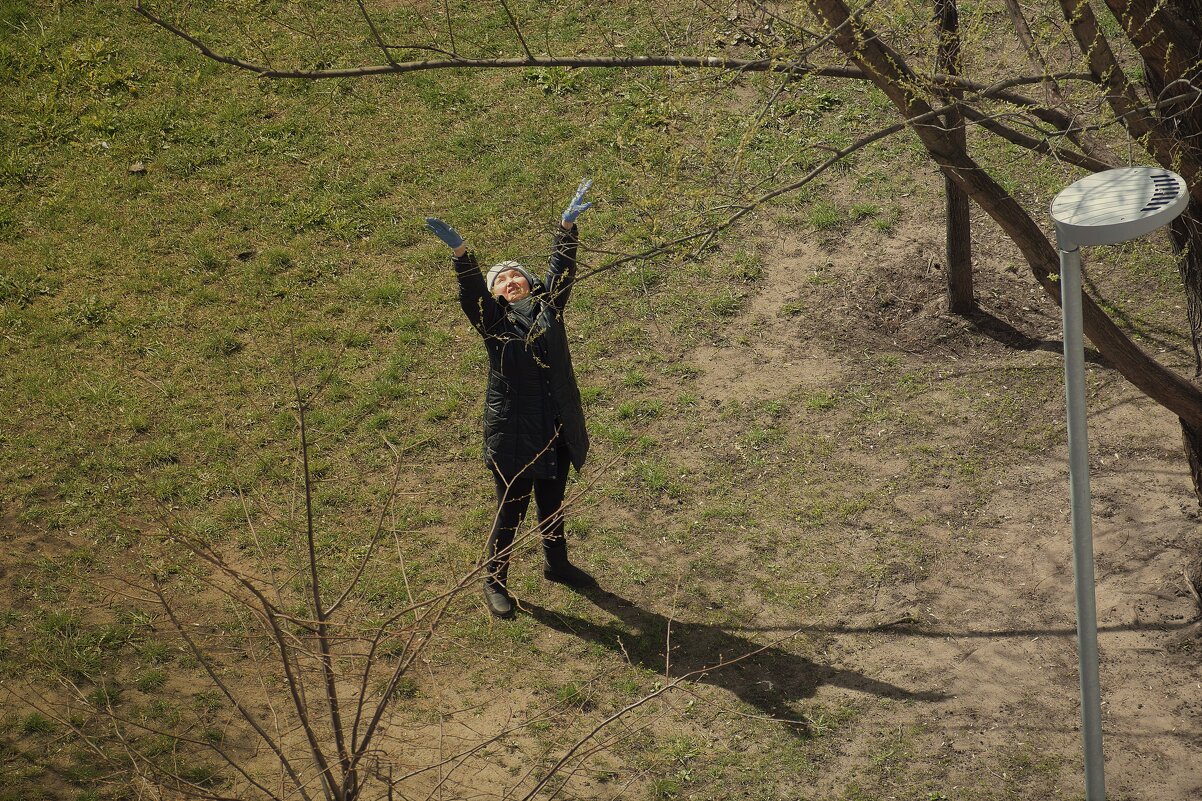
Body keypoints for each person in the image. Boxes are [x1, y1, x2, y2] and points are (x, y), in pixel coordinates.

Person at [424, 179, 597, 618]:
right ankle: (494, 580)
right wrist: (463, 257)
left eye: (516, 274)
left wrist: (566, 228)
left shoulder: (548, 309)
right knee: (511, 509)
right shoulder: (494, 324)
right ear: (495, 294)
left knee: (554, 501)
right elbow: (473, 299)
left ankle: (557, 564)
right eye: (500, 280)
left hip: (555, 423)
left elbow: (562, 271)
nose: (510, 281)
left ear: (530, 282)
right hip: (514, 433)